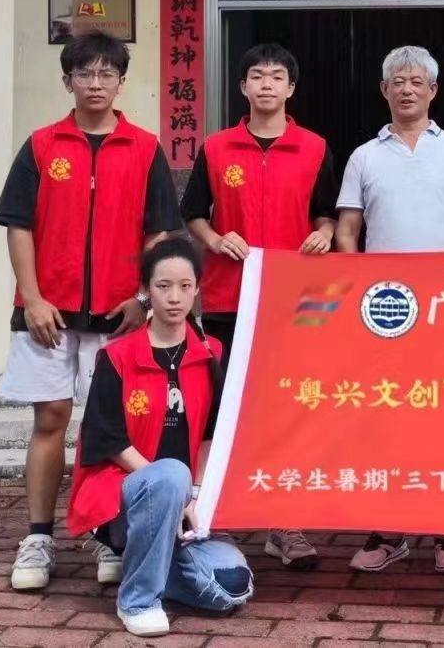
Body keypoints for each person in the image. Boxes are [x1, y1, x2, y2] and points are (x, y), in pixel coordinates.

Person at [0, 30, 181, 591]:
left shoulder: (144, 147)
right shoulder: (41, 145)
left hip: (119, 315)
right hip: (48, 314)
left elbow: (159, 231)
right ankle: (38, 536)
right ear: (67, 80)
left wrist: (142, 298)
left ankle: (108, 533)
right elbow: (18, 225)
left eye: (106, 74)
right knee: (50, 419)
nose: (95, 84)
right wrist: (32, 298)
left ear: (122, 82)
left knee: (111, 429)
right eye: (84, 74)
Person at [335, 45, 444, 575]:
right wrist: (357, 295)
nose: (407, 89)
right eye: (397, 81)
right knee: (387, 418)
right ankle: (389, 530)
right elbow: (348, 232)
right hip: (387, 312)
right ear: (384, 91)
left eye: (417, 81)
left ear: (433, 90)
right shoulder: (363, 156)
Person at [180, 43, 337, 570]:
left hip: (295, 299)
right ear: (243, 87)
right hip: (228, 296)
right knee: (217, 408)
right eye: (257, 76)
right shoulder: (216, 148)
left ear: (291, 88)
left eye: (276, 77)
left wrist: (324, 234)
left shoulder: (314, 148)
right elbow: (192, 214)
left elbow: (328, 214)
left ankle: (282, 523)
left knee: (285, 408)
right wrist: (215, 238)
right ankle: (210, 513)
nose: (266, 84)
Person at [66, 237, 253, 637]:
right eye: (163, 286)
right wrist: (171, 488)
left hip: (182, 503)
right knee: (168, 475)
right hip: (123, 496)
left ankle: (150, 564)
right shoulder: (117, 356)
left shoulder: (212, 353)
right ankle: (137, 600)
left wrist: (195, 495)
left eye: (185, 286)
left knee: (232, 584)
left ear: (198, 289)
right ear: (147, 290)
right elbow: (108, 440)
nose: (174, 297)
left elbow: (210, 435)